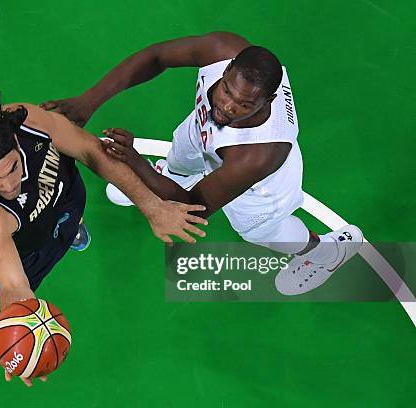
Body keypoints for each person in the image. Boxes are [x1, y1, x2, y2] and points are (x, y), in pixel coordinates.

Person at [0, 73, 208, 384]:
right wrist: (14, 327)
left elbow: (91, 151)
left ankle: (63, 232)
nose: (9, 184)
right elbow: (13, 282)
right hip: (21, 245)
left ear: (15, 142)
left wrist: (153, 207)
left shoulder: (27, 123)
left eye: (12, 168)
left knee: (65, 219)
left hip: (61, 202)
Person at [41, 32, 363, 296]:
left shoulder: (261, 153)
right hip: (203, 135)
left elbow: (193, 205)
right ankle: (167, 176)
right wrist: (89, 100)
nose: (227, 105)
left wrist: (135, 163)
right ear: (227, 69)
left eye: (244, 104)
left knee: (260, 231)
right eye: (227, 90)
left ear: (268, 101)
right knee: (181, 155)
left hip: (261, 191)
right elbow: (156, 56)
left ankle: (323, 253)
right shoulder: (222, 49)